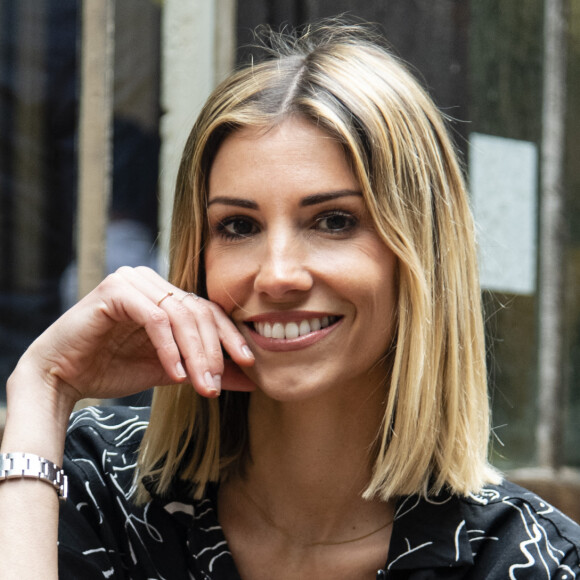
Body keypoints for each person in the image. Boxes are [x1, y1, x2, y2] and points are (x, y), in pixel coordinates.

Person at [1, 21, 579, 580]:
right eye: (238, 227)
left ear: (422, 255)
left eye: (333, 220)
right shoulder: (97, 491)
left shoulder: (528, 561)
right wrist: (42, 389)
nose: (277, 275)